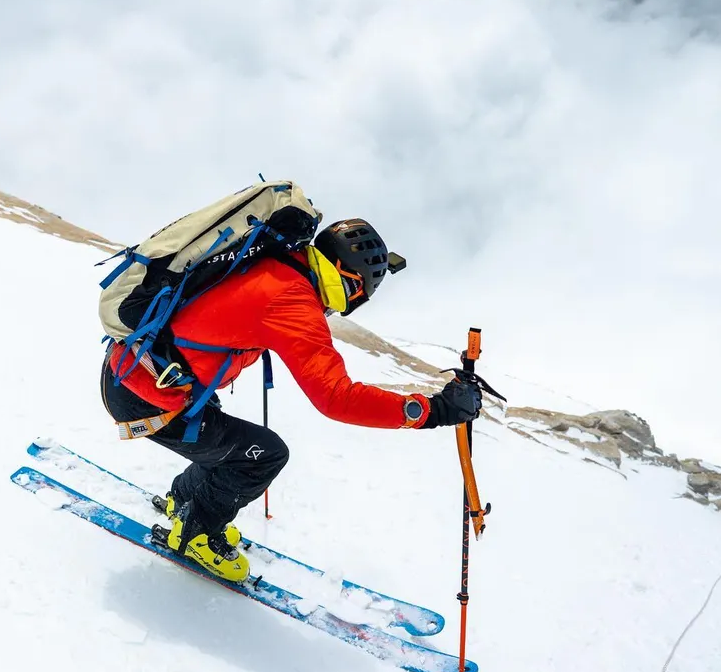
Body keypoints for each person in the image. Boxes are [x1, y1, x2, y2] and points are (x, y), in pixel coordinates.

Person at [100, 218, 482, 581]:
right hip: (147, 396)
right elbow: (336, 398)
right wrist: (432, 410)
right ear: (343, 274)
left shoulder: (279, 262)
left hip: (137, 369)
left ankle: (184, 502)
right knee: (264, 454)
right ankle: (195, 533)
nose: (344, 306)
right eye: (355, 293)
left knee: (228, 442)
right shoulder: (293, 300)